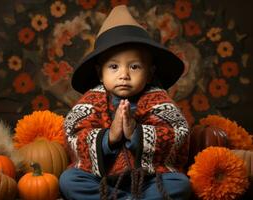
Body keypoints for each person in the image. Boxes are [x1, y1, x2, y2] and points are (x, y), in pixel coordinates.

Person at [59, 5, 191, 200]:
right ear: (100, 74)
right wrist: (109, 137)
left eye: (134, 66)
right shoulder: (91, 101)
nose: (124, 75)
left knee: (180, 184)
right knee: (69, 180)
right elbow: (74, 134)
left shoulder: (159, 100)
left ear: (150, 73)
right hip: (102, 179)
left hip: (148, 179)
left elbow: (177, 134)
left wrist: (135, 133)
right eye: (113, 66)